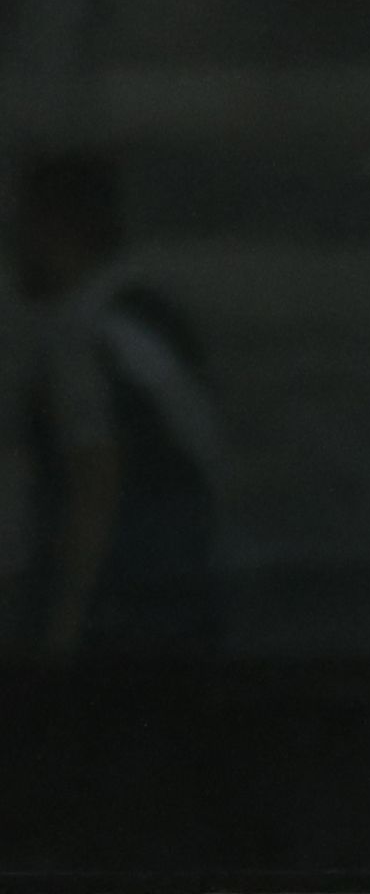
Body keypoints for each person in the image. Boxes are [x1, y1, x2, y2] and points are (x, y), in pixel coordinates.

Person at [13, 149, 225, 660]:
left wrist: (63, 625)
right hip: (180, 585)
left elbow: (95, 484)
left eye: (22, 226)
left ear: (55, 229)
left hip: (122, 604)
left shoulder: (83, 333)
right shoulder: (143, 316)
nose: (14, 244)